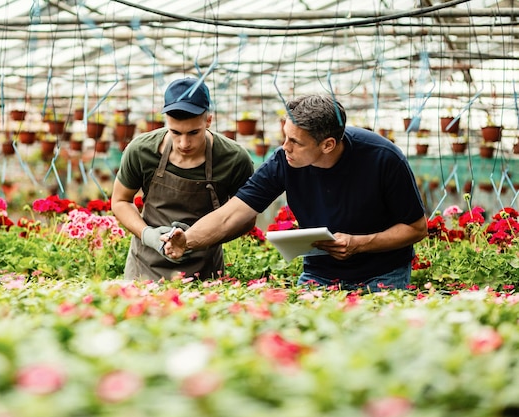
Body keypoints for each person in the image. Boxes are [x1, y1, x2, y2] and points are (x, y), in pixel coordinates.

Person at [163, 93, 428, 292]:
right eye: (285, 136)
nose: (284, 146)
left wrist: (360, 244)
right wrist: (187, 241)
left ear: (327, 145)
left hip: (383, 274)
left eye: (295, 141)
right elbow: (230, 215)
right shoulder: (284, 161)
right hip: (320, 273)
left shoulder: (383, 159)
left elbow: (416, 228)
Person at [111, 77, 255, 281]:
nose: (184, 143)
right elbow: (119, 201)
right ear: (166, 122)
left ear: (208, 121)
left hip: (204, 272)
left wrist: (198, 239)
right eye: (175, 132)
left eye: (194, 132)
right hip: (145, 269)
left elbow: (246, 217)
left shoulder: (233, 159)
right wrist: (148, 236)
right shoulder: (141, 151)